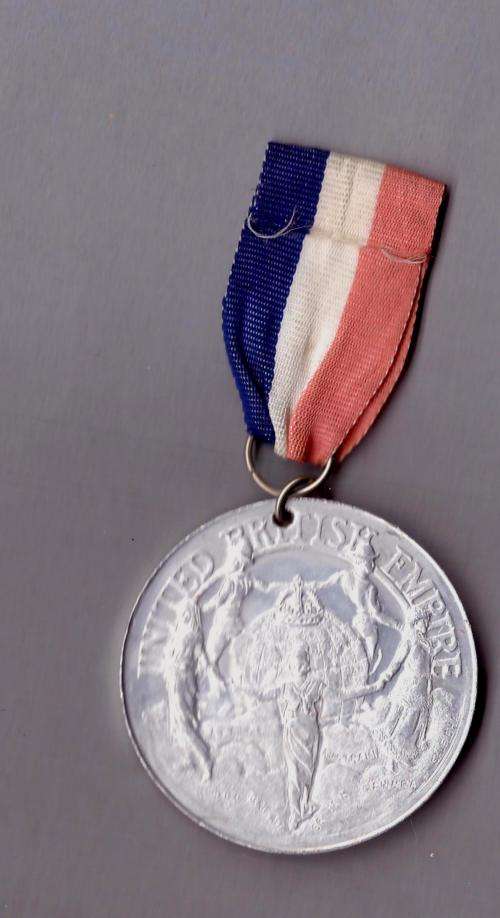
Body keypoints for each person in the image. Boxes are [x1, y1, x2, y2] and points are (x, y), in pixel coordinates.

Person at [278, 644, 324, 830]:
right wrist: (243, 688)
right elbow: (263, 695)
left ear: (307, 663)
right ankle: (294, 814)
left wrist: (372, 687)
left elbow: (340, 695)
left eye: (302, 661)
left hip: (311, 735)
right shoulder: (285, 687)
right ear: (290, 666)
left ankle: (305, 804)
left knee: (308, 773)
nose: (299, 666)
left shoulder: (317, 685)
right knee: (294, 773)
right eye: (295, 663)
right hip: (292, 735)